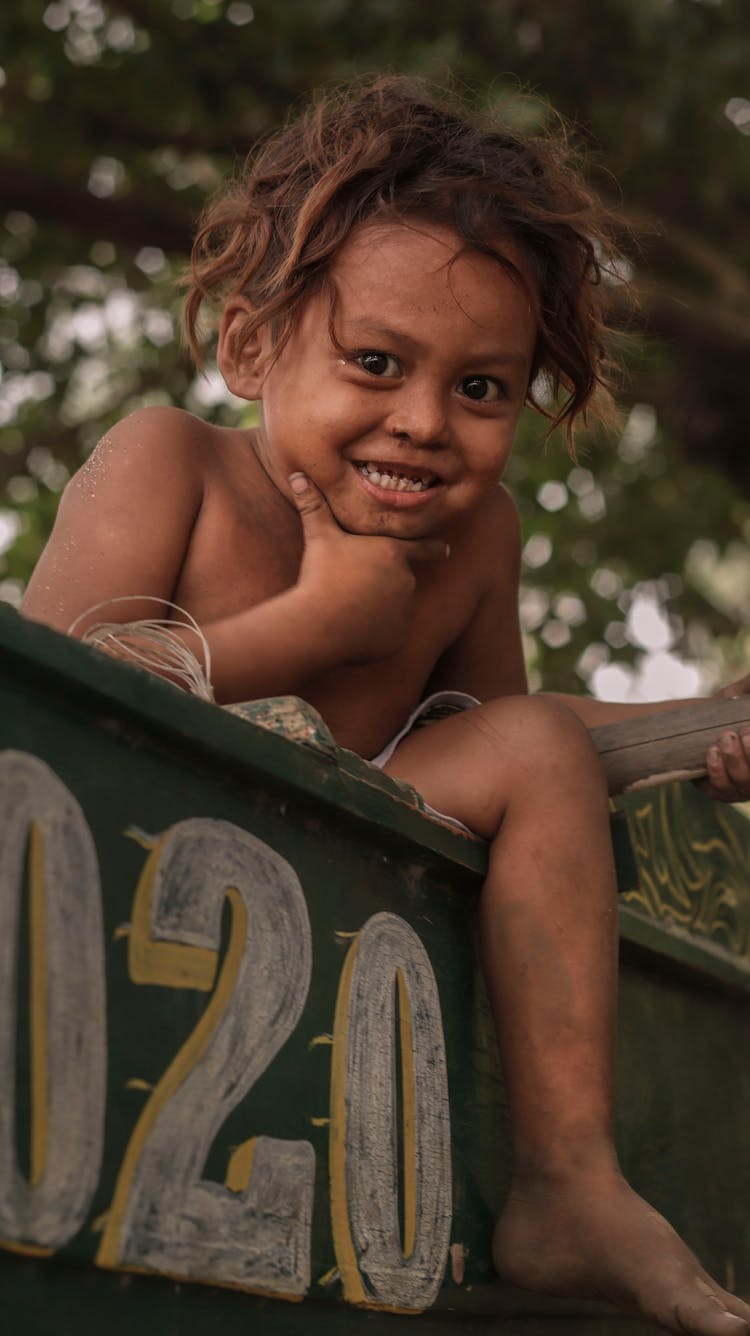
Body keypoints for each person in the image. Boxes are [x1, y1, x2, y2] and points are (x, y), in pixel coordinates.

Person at [21, 75, 750, 1332]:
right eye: (375, 362)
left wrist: (698, 725)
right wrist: (311, 629)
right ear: (253, 346)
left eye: (482, 390)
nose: (422, 423)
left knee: (535, 744)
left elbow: (510, 756)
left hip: (337, 913)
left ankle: (569, 1178)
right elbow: (47, 698)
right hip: (135, 919)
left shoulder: (477, 542)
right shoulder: (170, 465)